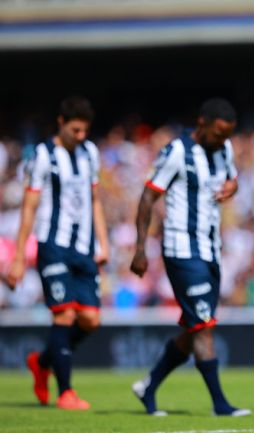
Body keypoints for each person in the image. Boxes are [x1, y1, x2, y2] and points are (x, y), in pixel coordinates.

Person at [129, 98, 250, 417]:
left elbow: (232, 179)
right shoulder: (177, 152)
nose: (223, 140)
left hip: (210, 249)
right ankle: (221, 405)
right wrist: (140, 248)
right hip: (181, 250)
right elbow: (148, 196)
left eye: (228, 134)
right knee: (204, 327)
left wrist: (231, 189)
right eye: (219, 133)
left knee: (195, 326)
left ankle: (149, 386)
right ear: (202, 123)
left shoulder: (224, 149)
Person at [7, 96, 109, 410]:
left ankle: (42, 362)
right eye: (75, 130)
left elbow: (94, 200)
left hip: (84, 248)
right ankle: (66, 392)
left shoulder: (90, 153)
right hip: (53, 246)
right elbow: (30, 206)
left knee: (90, 319)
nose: (81, 137)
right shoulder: (42, 156)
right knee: (64, 313)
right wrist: (20, 256)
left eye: (85, 131)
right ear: (61, 123)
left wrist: (103, 242)